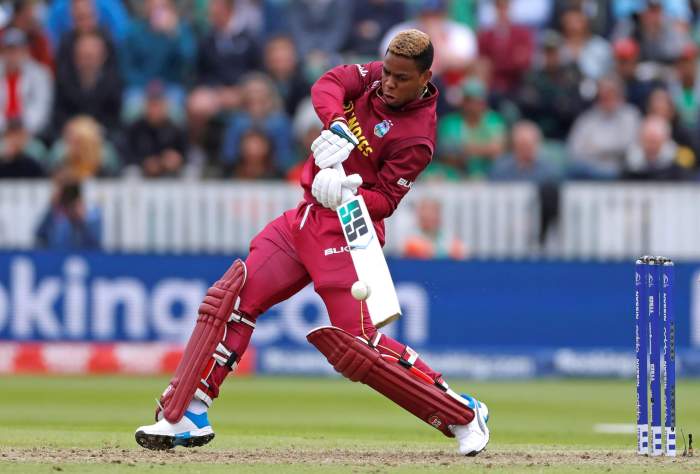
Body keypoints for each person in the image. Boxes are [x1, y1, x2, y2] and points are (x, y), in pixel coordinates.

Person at [134, 29, 490, 457]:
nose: (388, 83)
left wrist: (347, 191)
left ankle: (462, 413)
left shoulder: (417, 137)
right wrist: (337, 124)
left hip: (348, 231)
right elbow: (328, 84)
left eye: (400, 78)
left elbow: (388, 201)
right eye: (387, 73)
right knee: (230, 299)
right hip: (303, 219)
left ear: (425, 77)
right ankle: (189, 411)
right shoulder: (377, 75)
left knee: (359, 348)